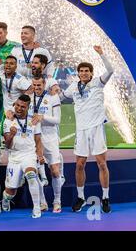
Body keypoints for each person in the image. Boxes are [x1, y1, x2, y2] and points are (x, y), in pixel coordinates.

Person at [60, 46, 113, 213]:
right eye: (81, 71)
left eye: (86, 71)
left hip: (96, 128)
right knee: (80, 165)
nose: (83, 73)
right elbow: (61, 96)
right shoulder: (73, 88)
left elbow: (111, 70)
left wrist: (101, 54)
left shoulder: (98, 82)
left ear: (91, 73)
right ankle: (81, 198)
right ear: (78, 73)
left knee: (102, 164)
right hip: (81, 130)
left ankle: (105, 198)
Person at [2, 94, 44, 218]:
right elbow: (7, 145)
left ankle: (36, 208)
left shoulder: (34, 120)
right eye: (17, 105)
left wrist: (40, 155)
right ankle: (5, 199)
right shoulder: (8, 120)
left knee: (31, 176)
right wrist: (11, 135)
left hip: (29, 155)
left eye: (23, 107)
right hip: (14, 156)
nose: (19, 109)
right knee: (11, 191)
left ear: (28, 107)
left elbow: (38, 140)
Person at [30, 75, 64, 213]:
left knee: (55, 171)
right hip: (34, 138)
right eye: (34, 85)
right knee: (37, 172)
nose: (37, 88)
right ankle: (43, 202)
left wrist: (41, 117)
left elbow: (57, 120)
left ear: (44, 84)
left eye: (39, 85)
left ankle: (57, 201)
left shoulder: (52, 97)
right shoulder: (28, 99)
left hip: (50, 137)